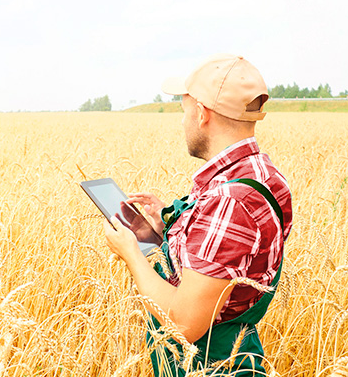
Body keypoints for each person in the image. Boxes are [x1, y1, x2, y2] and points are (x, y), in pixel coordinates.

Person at [103, 54, 293, 376]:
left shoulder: (231, 202)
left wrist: (132, 254)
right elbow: (227, 262)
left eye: (184, 110)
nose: (182, 121)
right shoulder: (260, 173)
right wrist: (166, 229)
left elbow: (183, 324)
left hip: (209, 365)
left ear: (203, 114)